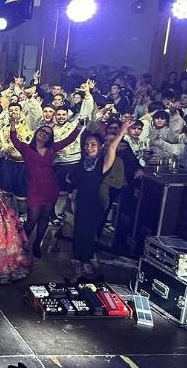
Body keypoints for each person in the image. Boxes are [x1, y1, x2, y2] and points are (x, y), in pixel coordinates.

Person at [69, 120, 130, 280]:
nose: (89, 147)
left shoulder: (102, 164)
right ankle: (80, 261)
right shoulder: (83, 162)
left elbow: (112, 148)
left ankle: (84, 260)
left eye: (93, 144)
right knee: (79, 231)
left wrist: (122, 130)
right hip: (81, 200)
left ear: (100, 146)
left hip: (96, 202)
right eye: (87, 144)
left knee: (89, 233)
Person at [9, 122, 82, 258]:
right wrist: (13, 125)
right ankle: (20, 244)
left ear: (50, 138)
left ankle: (37, 244)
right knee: (32, 219)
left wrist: (79, 127)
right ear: (37, 132)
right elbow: (14, 139)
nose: (44, 133)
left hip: (51, 186)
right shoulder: (25, 148)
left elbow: (69, 140)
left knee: (44, 217)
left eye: (48, 133)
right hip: (35, 187)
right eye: (42, 130)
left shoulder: (52, 149)